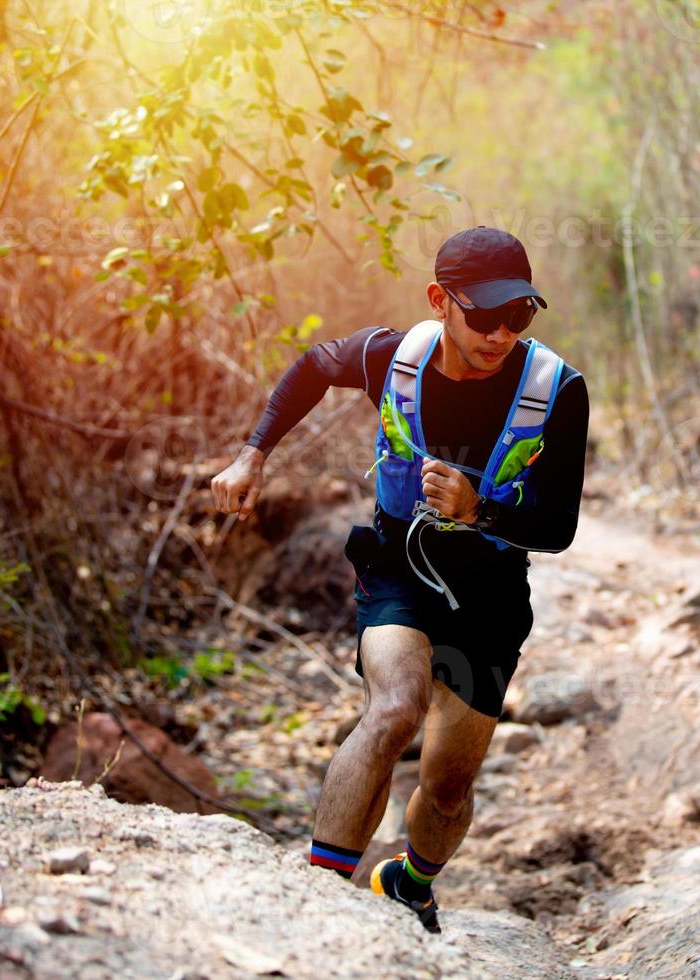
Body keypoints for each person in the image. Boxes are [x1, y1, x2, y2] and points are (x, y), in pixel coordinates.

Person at [210, 226, 589, 934]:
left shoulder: (558, 389)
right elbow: (315, 366)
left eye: (521, 315)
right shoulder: (393, 357)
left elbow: (559, 525)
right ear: (439, 300)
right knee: (394, 709)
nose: (503, 332)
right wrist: (253, 454)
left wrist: (481, 509)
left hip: (492, 590)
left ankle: (410, 881)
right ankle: (319, 901)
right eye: (485, 315)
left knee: (448, 786)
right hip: (397, 569)